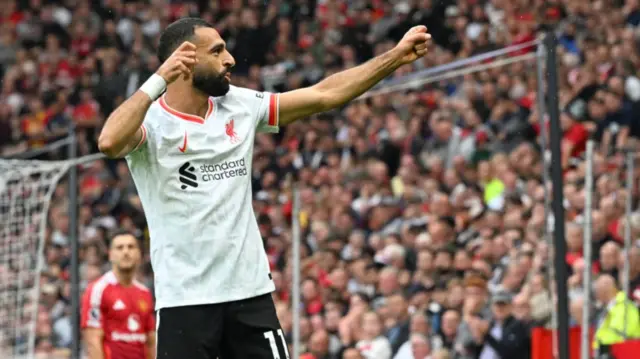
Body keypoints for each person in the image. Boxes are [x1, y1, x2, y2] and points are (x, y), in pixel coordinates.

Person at [97, 16, 431, 359]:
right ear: (185, 59)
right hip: (185, 303)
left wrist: (394, 56)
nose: (230, 59)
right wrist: (158, 80)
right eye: (217, 51)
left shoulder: (241, 105)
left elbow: (323, 95)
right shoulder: (149, 123)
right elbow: (108, 142)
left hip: (249, 296)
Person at [81, 231, 155, 359]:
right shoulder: (98, 290)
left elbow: (151, 341)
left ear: (139, 254)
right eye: (120, 248)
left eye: (131, 247)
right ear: (110, 254)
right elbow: (93, 342)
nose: (126, 252)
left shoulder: (145, 293)